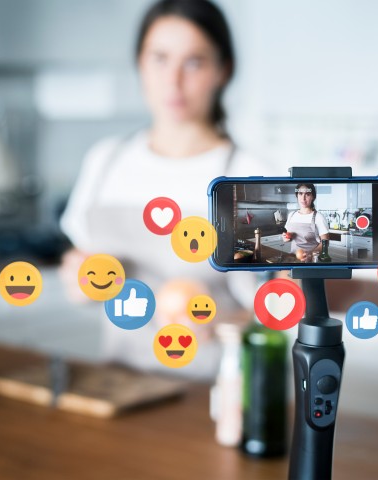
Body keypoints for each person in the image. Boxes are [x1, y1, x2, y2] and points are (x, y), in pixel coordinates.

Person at [59, 0, 271, 379]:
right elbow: (82, 268)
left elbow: (275, 309)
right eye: (159, 58)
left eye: (194, 62)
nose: (173, 80)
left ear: (223, 70)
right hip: (121, 385)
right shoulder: (106, 161)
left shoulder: (250, 177)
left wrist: (216, 316)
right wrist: (81, 283)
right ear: (139, 64)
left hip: (216, 395)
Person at [282, 183, 329, 262]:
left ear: (313, 197)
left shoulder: (318, 217)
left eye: (307, 194)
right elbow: (289, 236)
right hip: (293, 259)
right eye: (300, 194)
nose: (303, 198)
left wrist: (311, 254)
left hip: (311, 261)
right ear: (297, 195)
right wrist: (286, 238)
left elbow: (326, 242)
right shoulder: (291, 215)